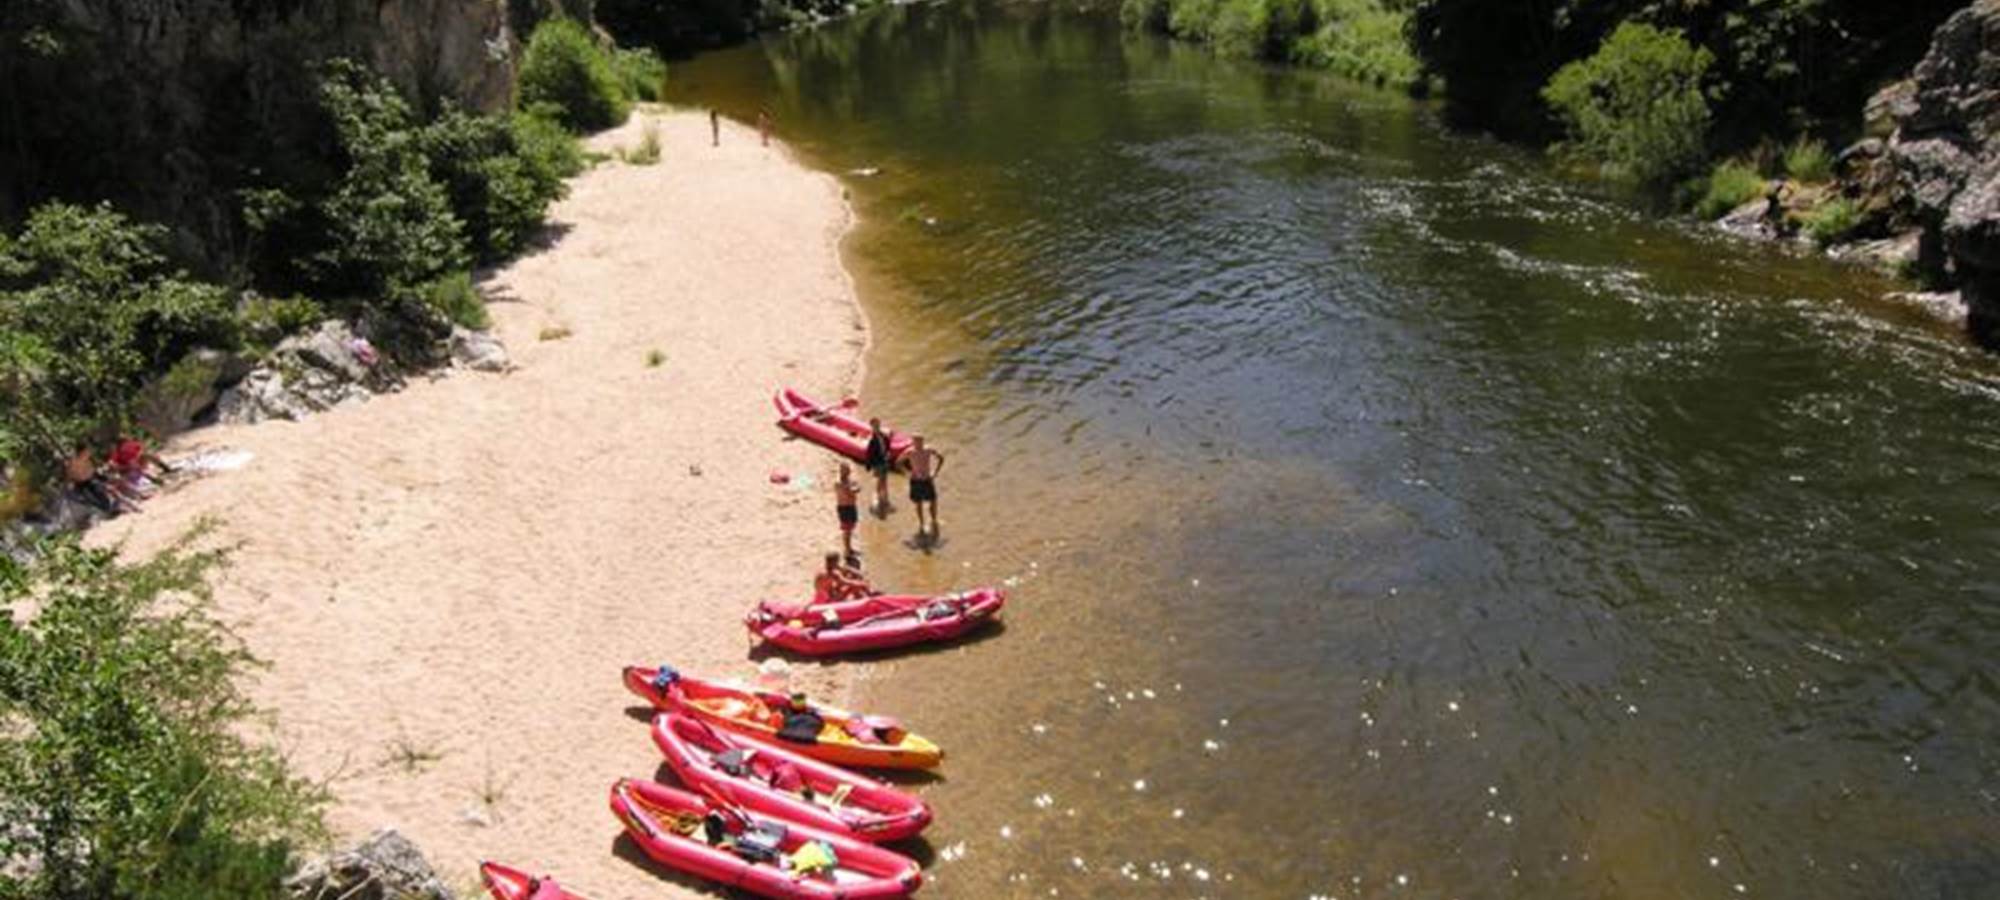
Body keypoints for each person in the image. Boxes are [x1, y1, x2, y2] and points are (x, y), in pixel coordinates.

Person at [63, 442, 124, 515]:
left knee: (101, 492)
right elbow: (70, 473)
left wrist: (99, 473)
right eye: (87, 450)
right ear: (82, 451)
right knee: (92, 498)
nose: (89, 452)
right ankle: (107, 509)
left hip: (90, 480)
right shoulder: (73, 461)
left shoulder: (86, 458)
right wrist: (69, 483)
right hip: (81, 484)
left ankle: (110, 508)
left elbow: (91, 469)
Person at [906, 435, 945, 537]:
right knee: (919, 503)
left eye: (920, 441)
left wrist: (935, 472)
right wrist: (908, 474)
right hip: (916, 480)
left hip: (927, 479)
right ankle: (921, 523)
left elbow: (941, 458)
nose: (918, 443)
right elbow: (898, 462)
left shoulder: (928, 450)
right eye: (916, 441)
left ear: (923, 441)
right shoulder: (910, 452)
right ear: (913, 442)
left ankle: (934, 520)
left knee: (933, 500)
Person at [863, 417, 893, 515]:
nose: (876, 427)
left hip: (884, 460)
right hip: (877, 462)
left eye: (877, 425)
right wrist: (868, 465)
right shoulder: (872, 439)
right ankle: (879, 497)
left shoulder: (883, 436)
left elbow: (888, 445)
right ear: (872, 426)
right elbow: (869, 453)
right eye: (874, 425)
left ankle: (885, 497)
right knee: (880, 479)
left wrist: (888, 453)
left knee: (884, 479)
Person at [833, 463, 860, 558]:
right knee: (847, 530)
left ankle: (849, 548)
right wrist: (854, 489)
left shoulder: (848, 481)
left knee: (850, 529)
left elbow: (856, 488)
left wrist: (855, 489)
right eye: (846, 470)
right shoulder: (839, 482)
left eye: (848, 470)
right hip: (845, 508)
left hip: (851, 507)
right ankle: (847, 551)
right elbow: (851, 492)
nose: (848, 473)